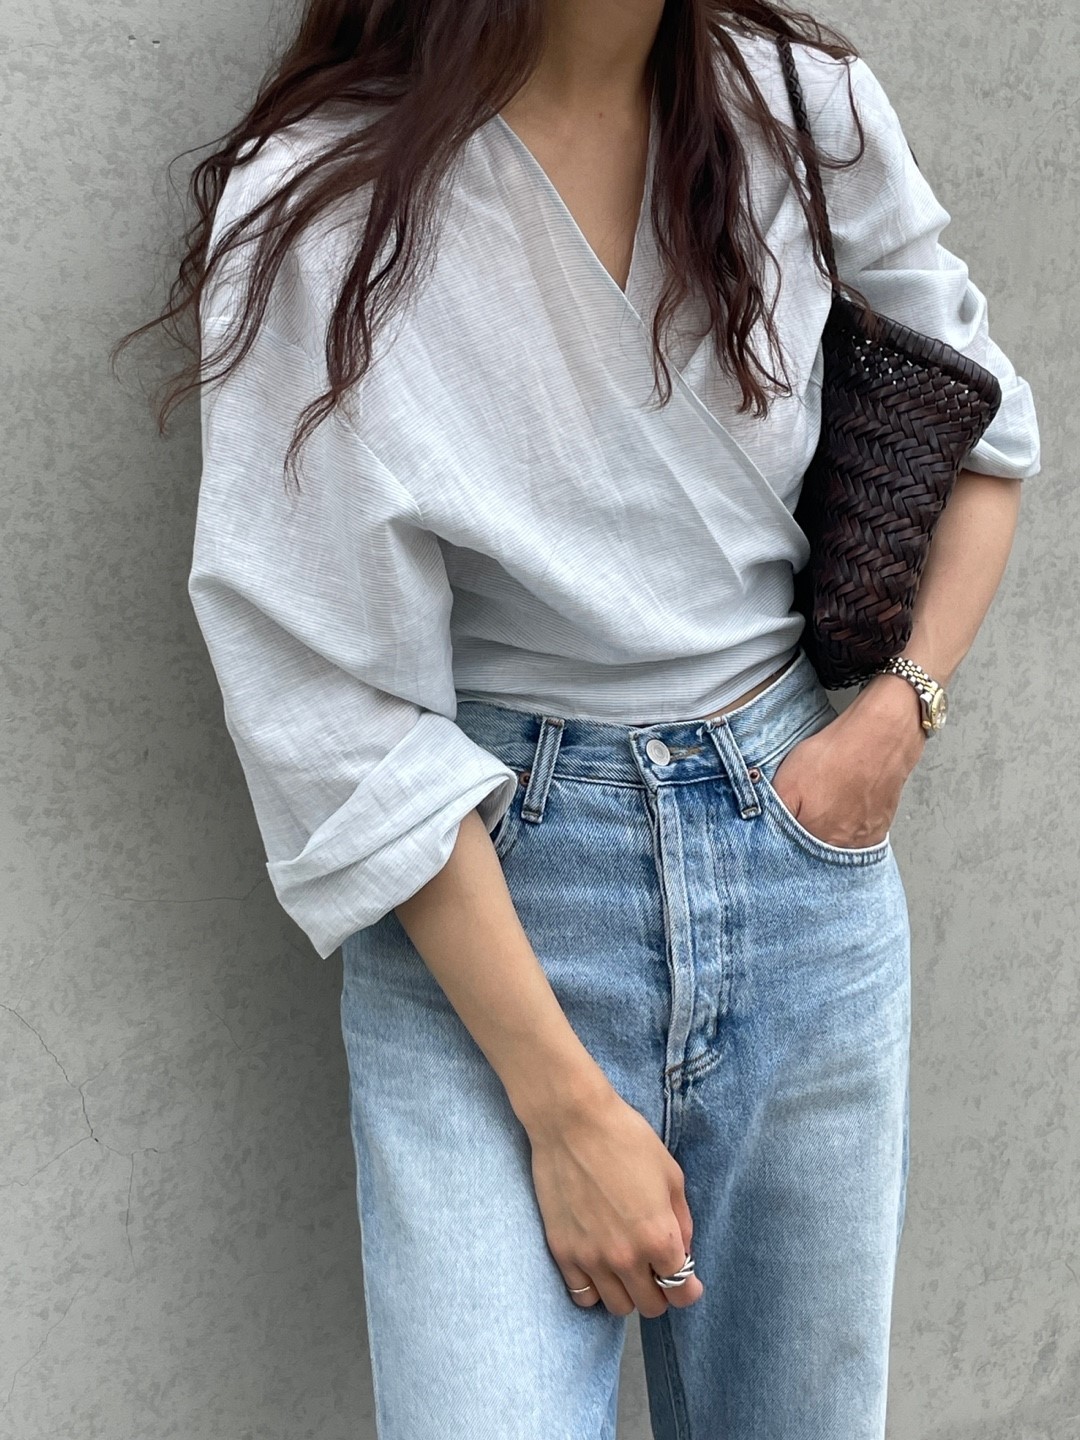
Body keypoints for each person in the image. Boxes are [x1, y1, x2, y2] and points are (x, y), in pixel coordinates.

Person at [127, 1, 1040, 1435]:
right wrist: (560, 1108)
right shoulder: (322, 195)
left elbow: (984, 426)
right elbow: (325, 697)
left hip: (800, 877)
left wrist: (896, 720)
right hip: (491, 900)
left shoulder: (797, 105)